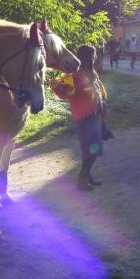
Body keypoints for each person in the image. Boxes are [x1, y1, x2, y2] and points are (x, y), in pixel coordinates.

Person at [51, 45, 109, 191]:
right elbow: (63, 92)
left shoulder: (91, 73)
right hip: (84, 118)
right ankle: (82, 180)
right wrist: (57, 86)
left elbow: (98, 92)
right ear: (88, 57)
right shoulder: (75, 76)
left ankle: (87, 176)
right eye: (94, 55)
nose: (96, 57)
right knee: (91, 150)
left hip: (95, 115)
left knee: (94, 149)